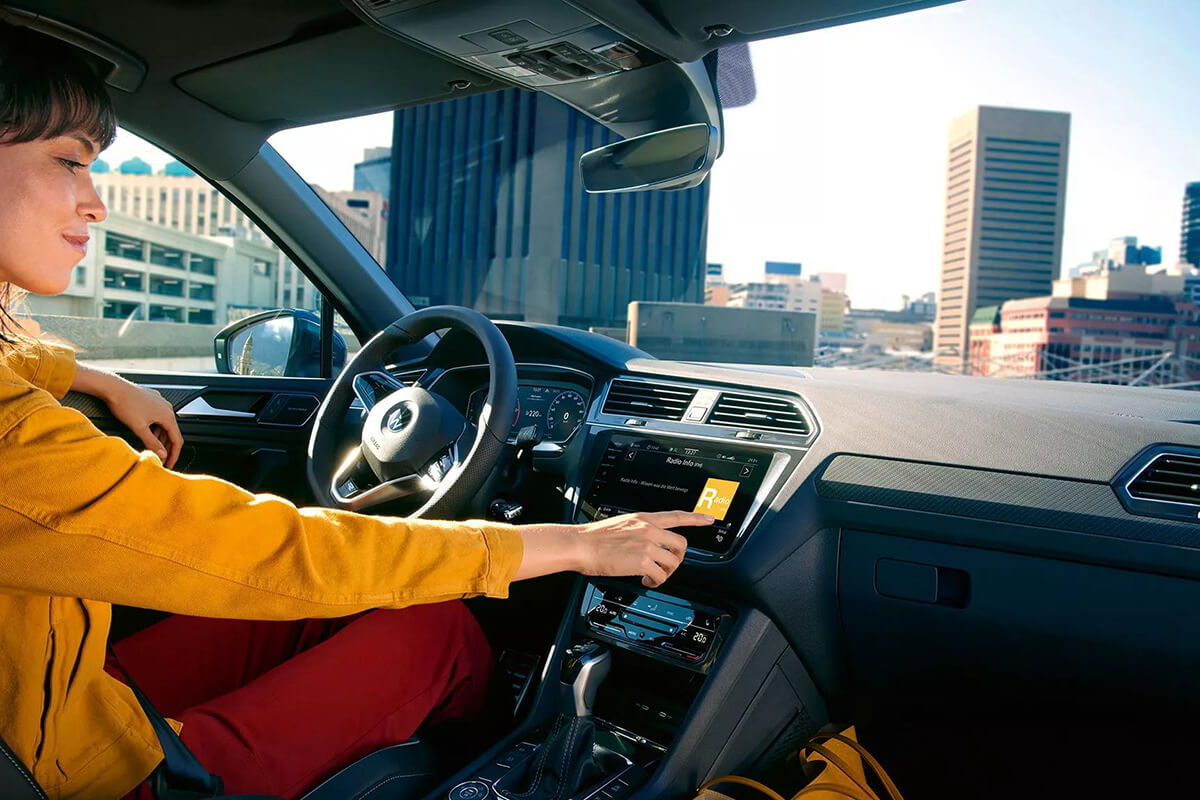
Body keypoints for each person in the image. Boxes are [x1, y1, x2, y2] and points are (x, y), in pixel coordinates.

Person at [0, 23, 712, 800]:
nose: (96, 203)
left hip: (54, 697)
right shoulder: (14, 438)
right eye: (69, 161)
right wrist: (572, 544)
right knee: (436, 629)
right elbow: (278, 556)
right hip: (78, 775)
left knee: (343, 610)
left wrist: (94, 377)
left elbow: (18, 365)